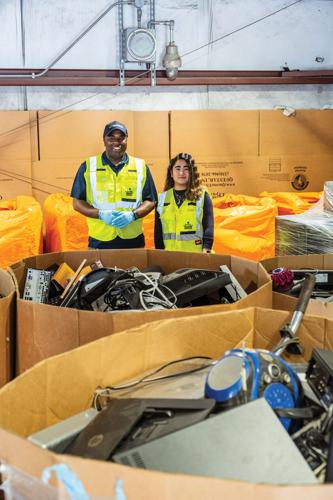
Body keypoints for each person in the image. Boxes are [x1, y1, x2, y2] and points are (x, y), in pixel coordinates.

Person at [71, 120, 157, 249]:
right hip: (99, 241)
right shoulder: (88, 167)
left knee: (134, 270)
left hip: (133, 241)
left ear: (126, 140)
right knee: (101, 271)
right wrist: (100, 214)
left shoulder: (140, 166)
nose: (116, 142)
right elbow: (77, 203)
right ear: (104, 140)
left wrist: (133, 215)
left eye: (121, 138)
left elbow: (151, 201)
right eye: (111, 138)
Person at [154, 152, 214, 253]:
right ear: (171, 173)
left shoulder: (202, 196)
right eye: (177, 168)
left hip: (196, 257)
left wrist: (205, 252)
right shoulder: (161, 199)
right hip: (170, 257)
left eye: (186, 169)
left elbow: (209, 227)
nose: (181, 173)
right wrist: (161, 256)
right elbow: (158, 233)